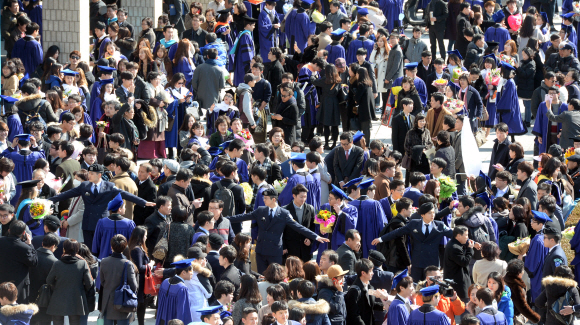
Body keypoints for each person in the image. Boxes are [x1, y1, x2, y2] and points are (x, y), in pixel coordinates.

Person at [49, 164, 154, 247]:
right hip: (87, 222)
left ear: (99, 175)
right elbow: (67, 194)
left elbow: (125, 194)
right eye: (89, 173)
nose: (89, 175)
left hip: (102, 222)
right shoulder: (84, 186)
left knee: (101, 247)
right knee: (88, 247)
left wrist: (144, 202)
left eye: (92, 173)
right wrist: (49, 200)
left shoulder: (109, 186)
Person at [228, 188, 329, 273]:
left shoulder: (284, 213)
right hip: (261, 251)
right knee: (262, 276)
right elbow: (243, 217)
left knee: (275, 278)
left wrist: (316, 236)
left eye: (266, 198)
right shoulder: (260, 210)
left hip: (275, 252)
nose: (263, 200)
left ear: (273, 199)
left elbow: (298, 227)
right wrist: (226, 219)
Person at [372, 202, 453, 281]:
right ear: (422, 215)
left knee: (431, 287)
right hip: (417, 262)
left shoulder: (440, 225)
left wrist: (465, 240)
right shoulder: (414, 224)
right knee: (415, 286)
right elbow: (397, 232)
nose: (432, 215)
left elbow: (453, 235)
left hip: (432, 262)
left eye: (433, 213)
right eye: (429, 213)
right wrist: (381, 239)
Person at [46, 239, 94, 325]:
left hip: (58, 298)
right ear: (77, 250)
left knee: (57, 322)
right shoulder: (82, 263)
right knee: (75, 322)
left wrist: (57, 287)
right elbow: (89, 283)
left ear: (64, 249)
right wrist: (81, 288)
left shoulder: (57, 263)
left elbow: (49, 280)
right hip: (76, 298)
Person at [0, 220, 36, 304]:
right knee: (18, 309)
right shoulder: (25, 248)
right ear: (24, 232)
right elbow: (34, 262)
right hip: (18, 284)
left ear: (9, 230)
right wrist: (30, 245)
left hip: (2, 280)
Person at [29, 233, 59, 325]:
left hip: (29, 295)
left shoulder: (31, 256)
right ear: (53, 246)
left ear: (42, 244)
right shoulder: (54, 262)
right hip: (46, 299)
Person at [344, 259, 384, 325]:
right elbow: (353, 314)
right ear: (363, 273)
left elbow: (370, 304)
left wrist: (383, 306)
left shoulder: (369, 286)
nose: (372, 273)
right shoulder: (354, 291)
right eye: (370, 271)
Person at [283, 184, 316, 263]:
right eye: (301, 197)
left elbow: (313, 226)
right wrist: (283, 246)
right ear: (294, 195)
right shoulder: (285, 210)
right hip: (291, 248)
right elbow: (281, 230)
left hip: (305, 248)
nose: (303, 199)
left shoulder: (310, 208)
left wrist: (310, 239)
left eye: (305, 197)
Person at [156, 258, 195, 325]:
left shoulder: (165, 282)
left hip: (162, 320)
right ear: (183, 272)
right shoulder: (182, 288)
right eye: (191, 272)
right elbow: (183, 312)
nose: (192, 274)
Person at [503, 259, 541, 324]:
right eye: (523, 270)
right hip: (513, 317)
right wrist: (536, 317)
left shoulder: (504, 279)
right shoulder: (517, 286)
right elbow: (522, 306)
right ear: (519, 273)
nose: (523, 272)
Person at [443, 226, 475, 301]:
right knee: (462, 306)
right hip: (458, 283)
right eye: (466, 235)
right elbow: (464, 262)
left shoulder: (455, 244)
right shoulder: (454, 247)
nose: (467, 237)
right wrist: (470, 249)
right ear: (458, 236)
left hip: (456, 281)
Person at [232, 16, 257, 86]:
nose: (254, 27)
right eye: (253, 25)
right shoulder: (246, 36)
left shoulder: (243, 34)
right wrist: (250, 65)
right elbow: (247, 53)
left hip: (241, 63)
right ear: (248, 25)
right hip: (243, 65)